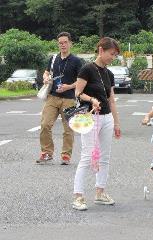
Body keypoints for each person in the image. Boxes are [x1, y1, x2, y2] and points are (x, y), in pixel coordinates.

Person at [72, 37, 121, 211]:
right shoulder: (87, 69)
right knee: (87, 156)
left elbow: (112, 100)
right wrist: (91, 99)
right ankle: (78, 196)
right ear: (101, 50)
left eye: (115, 55)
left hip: (107, 117)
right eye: (111, 54)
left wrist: (116, 123)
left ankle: (100, 193)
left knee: (105, 157)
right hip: (90, 117)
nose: (112, 57)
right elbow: (77, 93)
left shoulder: (109, 74)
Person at [37, 32, 83, 165]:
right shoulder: (53, 58)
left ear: (70, 43)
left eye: (65, 42)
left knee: (68, 128)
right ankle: (46, 153)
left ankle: (66, 155)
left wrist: (69, 87)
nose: (62, 45)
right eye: (60, 43)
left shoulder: (76, 61)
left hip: (69, 98)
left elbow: (81, 81)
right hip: (52, 96)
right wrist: (46, 78)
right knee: (45, 124)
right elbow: (46, 72)